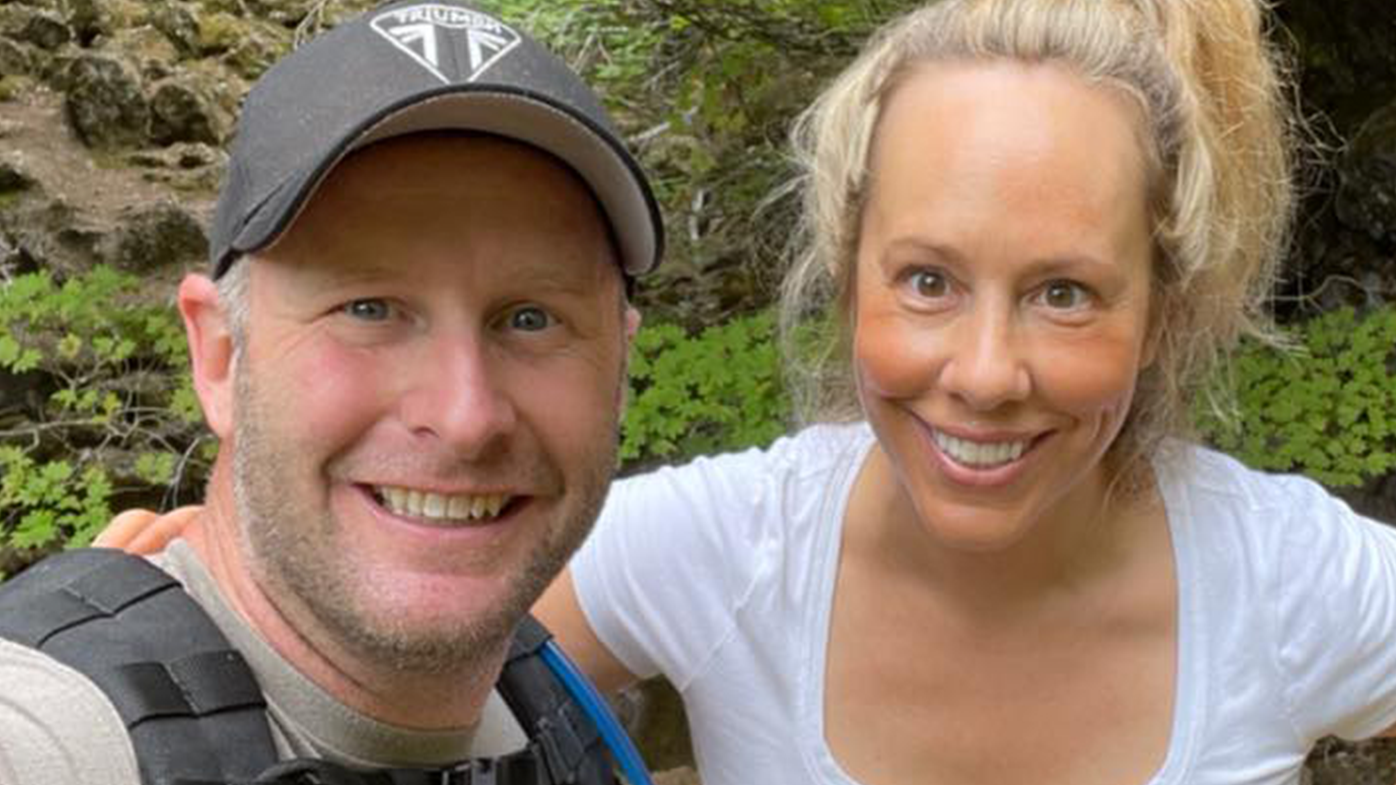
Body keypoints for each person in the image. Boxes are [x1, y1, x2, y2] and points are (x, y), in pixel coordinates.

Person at [101, 0, 1396, 784]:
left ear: (1164, 311)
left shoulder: (1282, 580)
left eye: (1066, 292)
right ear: (848, 284)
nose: (988, 373)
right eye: (929, 280)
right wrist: (226, 593)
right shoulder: (729, 553)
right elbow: (427, 621)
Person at [0, 1, 663, 784]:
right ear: (219, 355)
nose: (465, 416)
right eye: (368, 309)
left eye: (530, 318)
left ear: (619, 366)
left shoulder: (553, 697)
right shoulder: (59, 729)